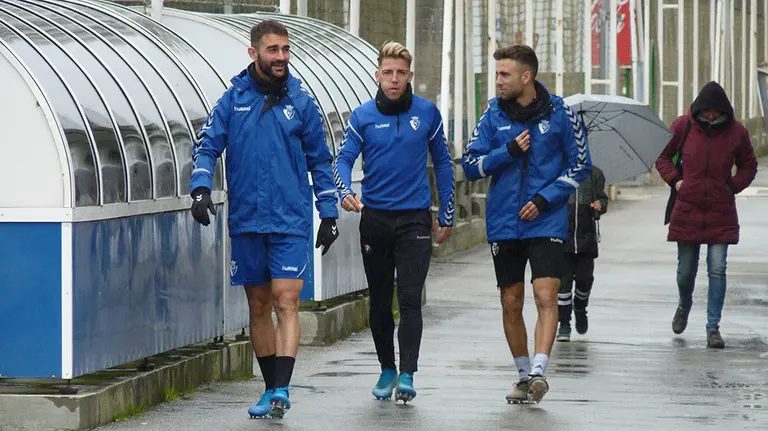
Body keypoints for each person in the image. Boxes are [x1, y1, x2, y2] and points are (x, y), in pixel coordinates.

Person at [189, 20, 341, 419]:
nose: (281, 57)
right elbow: (206, 146)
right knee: (258, 305)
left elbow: (320, 161)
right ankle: (271, 387)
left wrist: (328, 213)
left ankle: (283, 388)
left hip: (290, 219)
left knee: (286, 299)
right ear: (253, 53)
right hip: (247, 220)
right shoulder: (232, 100)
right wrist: (200, 188)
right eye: (273, 50)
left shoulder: (302, 103)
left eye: (285, 50)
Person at [461, 44, 591, 404]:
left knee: (545, 295)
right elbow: (470, 165)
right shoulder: (491, 114)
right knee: (510, 301)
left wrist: (544, 198)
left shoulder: (561, 113)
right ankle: (522, 376)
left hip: (546, 221)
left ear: (526, 76)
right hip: (504, 223)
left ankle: (538, 371)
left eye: (504, 74)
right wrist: (508, 152)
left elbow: (580, 166)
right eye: (497, 73)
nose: (498, 81)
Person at [333, 41, 455, 403]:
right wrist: (343, 191)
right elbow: (341, 161)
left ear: (410, 76)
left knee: (411, 298)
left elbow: (444, 163)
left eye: (401, 73)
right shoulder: (362, 116)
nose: (394, 79)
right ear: (377, 75)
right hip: (375, 220)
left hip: (415, 219)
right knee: (380, 299)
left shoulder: (428, 114)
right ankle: (387, 368)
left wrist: (446, 211)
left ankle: (408, 374)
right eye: (388, 72)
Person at [655, 81, 757, 349]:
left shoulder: (737, 133)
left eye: (715, 112)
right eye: (706, 112)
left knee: (718, 269)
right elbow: (662, 156)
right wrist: (676, 181)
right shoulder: (683, 126)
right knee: (685, 272)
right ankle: (684, 304)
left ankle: (713, 328)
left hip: (720, 210)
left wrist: (733, 186)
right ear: (699, 109)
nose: (710, 116)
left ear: (723, 110)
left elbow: (749, 165)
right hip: (687, 208)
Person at [556, 166, 609, 342]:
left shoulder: (594, 174)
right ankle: (564, 322)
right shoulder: (558, 170)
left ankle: (580, 307)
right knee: (563, 286)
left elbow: (602, 198)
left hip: (586, 239)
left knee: (585, 280)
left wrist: (600, 206)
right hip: (562, 237)